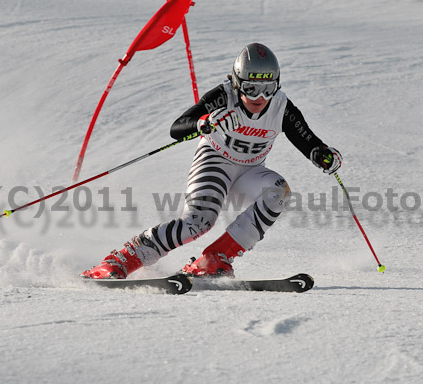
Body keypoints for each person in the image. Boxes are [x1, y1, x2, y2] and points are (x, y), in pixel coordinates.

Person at [81, 43, 342, 279]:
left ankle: (214, 258)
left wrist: (321, 154)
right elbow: (178, 128)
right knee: (198, 223)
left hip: (249, 171)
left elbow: (306, 139)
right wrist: (205, 122)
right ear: (238, 83)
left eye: (267, 89)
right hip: (215, 161)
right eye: (251, 88)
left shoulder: (281, 107)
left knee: (278, 192)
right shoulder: (223, 96)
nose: (259, 98)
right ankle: (123, 259)